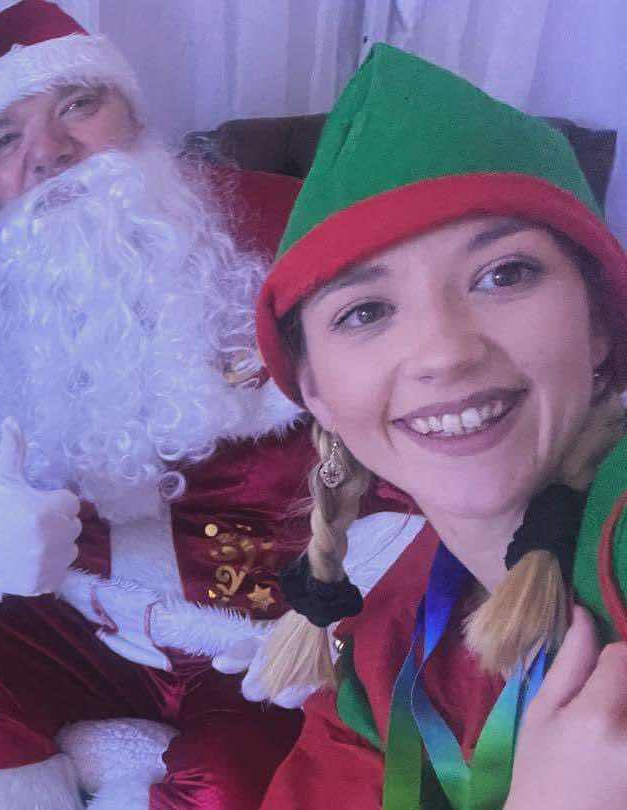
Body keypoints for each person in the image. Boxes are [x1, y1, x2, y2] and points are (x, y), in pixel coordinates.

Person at [0, 2, 413, 807]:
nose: (46, 153)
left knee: (233, 783)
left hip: (266, 648)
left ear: (137, 118)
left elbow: (416, 414)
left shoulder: (283, 231)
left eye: (76, 105)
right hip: (83, 632)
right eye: (3, 141)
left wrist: (332, 616)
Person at [249, 44, 627, 810]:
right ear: (315, 391)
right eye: (365, 312)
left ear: (598, 327)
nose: (447, 352)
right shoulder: (386, 649)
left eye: (505, 273)